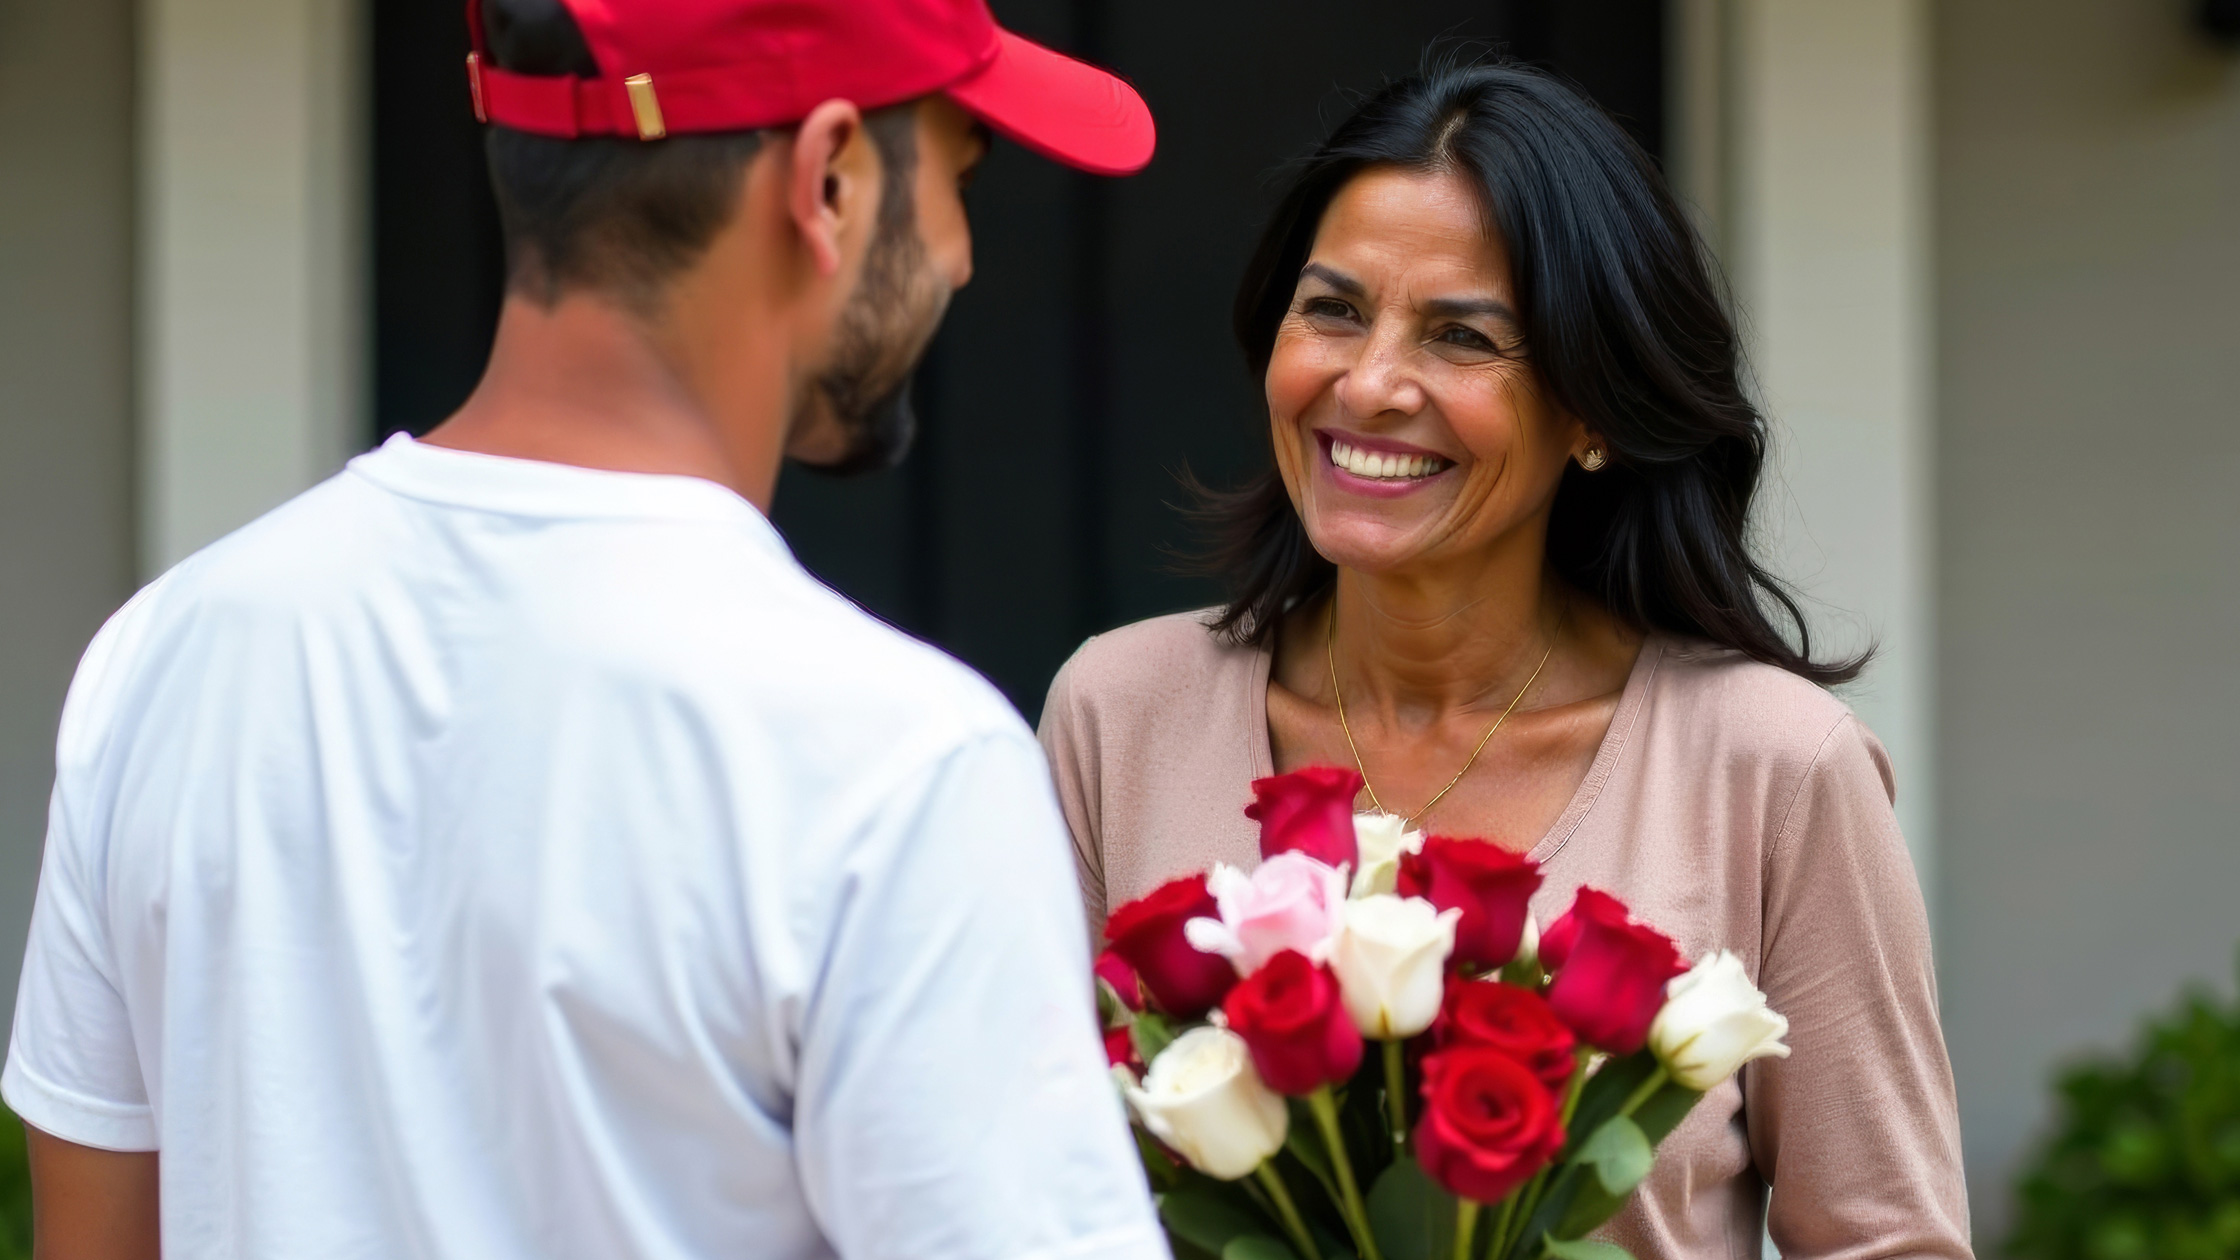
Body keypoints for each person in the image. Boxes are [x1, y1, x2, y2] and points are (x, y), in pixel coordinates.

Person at [3, 2, 1168, 1257]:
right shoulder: (897, 763)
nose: (957, 255)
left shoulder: (162, 660)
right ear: (827, 178)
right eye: (957, 171)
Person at [1039, 60, 1971, 1257]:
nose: (1367, 384)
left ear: (1591, 409)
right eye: (1330, 309)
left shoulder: (1774, 768)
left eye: (1459, 336)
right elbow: (1026, 1192)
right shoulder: (1118, 714)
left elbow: (1885, 1242)